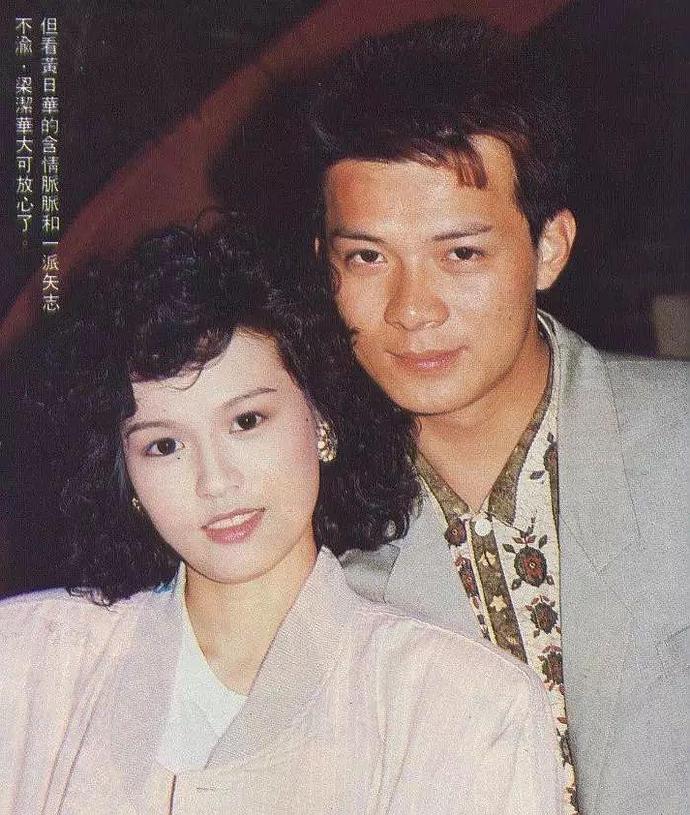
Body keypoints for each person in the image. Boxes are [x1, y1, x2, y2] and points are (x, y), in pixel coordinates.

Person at [0, 226, 563, 814]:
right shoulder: (29, 663)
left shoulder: (462, 704)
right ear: (124, 474)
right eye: (164, 446)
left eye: (247, 421)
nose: (215, 482)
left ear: (321, 419)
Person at [294, 18, 690, 815]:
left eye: (461, 253)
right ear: (324, 267)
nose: (412, 308)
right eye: (367, 257)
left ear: (550, 248)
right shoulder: (302, 536)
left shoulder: (676, 444)